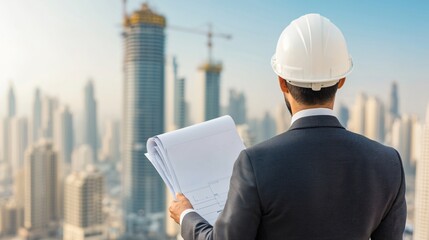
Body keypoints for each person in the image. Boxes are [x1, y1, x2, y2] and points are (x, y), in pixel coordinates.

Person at [169, 13, 406, 240]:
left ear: (281, 81)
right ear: (341, 80)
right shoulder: (388, 163)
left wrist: (186, 216)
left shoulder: (254, 163)